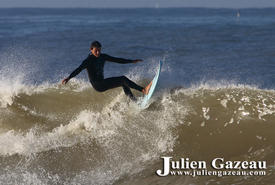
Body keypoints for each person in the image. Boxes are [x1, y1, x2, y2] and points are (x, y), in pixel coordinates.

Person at [62, 41, 152, 101]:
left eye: (99, 50)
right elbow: (78, 69)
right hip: (98, 85)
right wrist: (69, 78)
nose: (98, 53)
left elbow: (117, 60)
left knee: (123, 83)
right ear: (91, 49)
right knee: (123, 79)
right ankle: (143, 90)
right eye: (96, 51)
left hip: (102, 82)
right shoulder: (88, 61)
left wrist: (131, 61)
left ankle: (134, 101)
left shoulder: (103, 56)